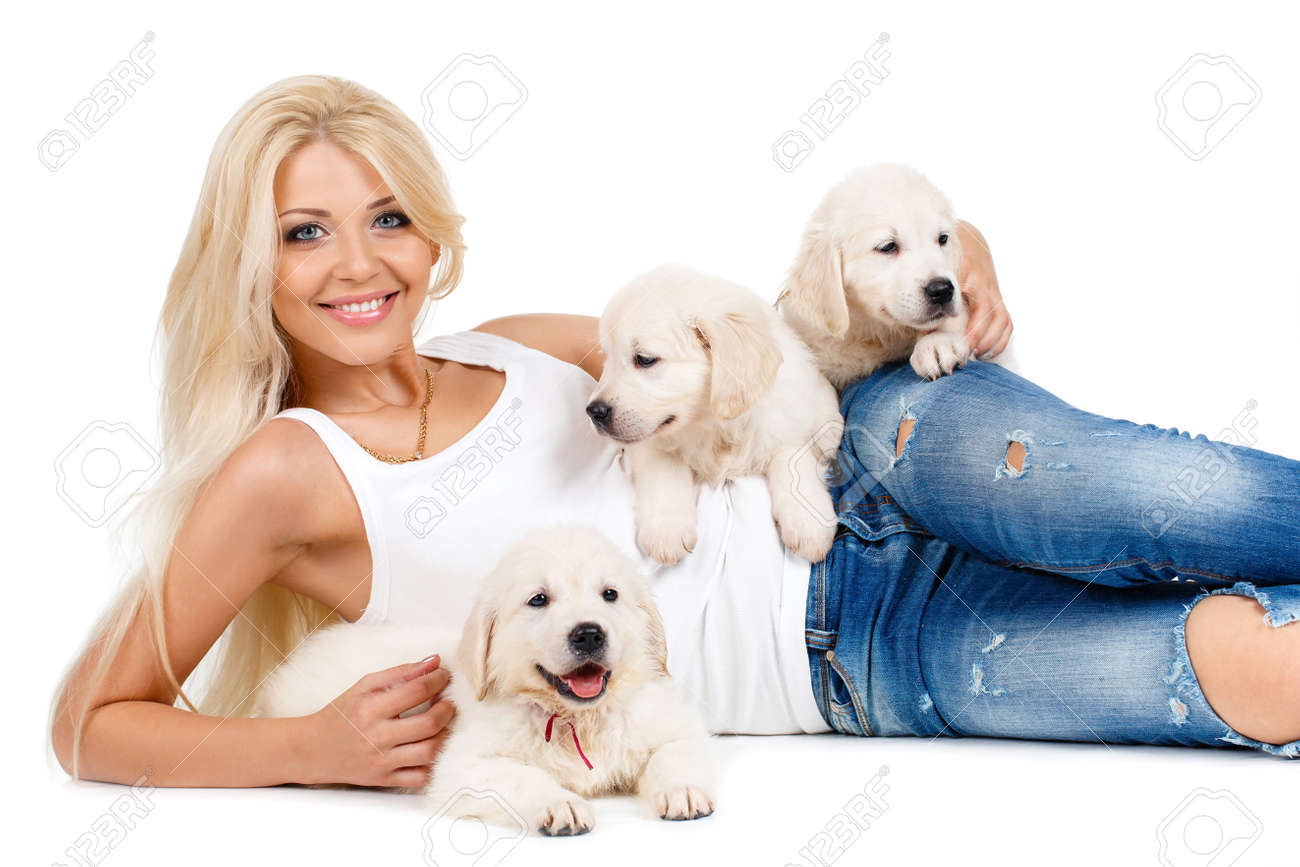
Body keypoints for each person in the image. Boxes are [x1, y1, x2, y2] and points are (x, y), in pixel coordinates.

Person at [50, 74, 1300, 790]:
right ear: (249, 261)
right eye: (305, 231)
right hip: (847, 660)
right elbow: (91, 721)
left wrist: (957, 257)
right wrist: (306, 748)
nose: (361, 265)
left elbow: (758, 325)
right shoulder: (285, 471)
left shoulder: (525, 340)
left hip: (873, 446)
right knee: (1252, 679)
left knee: (1174, 501)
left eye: (387, 218)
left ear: (433, 234)